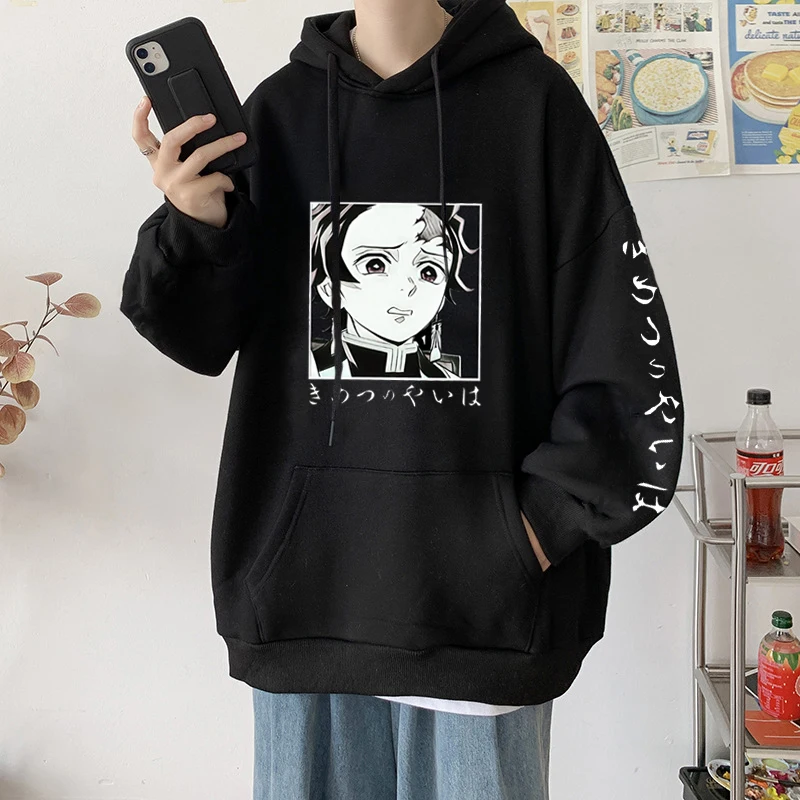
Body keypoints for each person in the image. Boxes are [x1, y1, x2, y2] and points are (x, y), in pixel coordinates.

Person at [123, 0, 684, 797]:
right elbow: (193, 336)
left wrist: (529, 533)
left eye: (424, 270)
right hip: (307, 605)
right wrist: (196, 220)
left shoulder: (535, 105)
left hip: (485, 621)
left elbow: (621, 352)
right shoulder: (278, 112)